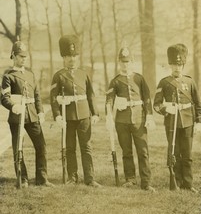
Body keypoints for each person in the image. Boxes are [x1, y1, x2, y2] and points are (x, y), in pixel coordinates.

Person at [1, 40, 53, 188]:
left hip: (32, 115)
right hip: (17, 115)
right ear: (13, 56)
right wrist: (13, 106)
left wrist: (41, 112)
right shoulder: (8, 76)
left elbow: (36, 96)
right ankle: (22, 178)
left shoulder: (30, 74)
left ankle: (42, 179)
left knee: (41, 145)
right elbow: (4, 97)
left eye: (25, 56)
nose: (23, 59)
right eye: (20, 56)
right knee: (18, 148)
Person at [50, 34, 101, 187]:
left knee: (86, 147)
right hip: (68, 116)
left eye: (74, 56)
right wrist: (57, 116)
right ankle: (73, 177)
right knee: (70, 148)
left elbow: (91, 94)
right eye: (68, 56)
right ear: (63, 58)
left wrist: (95, 113)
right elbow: (53, 98)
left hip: (84, 114)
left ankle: (90, 179)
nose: (72, 59)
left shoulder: (83, 73)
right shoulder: (58, 76)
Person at [105, 45, 155, 191]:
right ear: (119, 62)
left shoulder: (139, 78)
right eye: (122, 62)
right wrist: (109, 117)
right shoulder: (115, 81)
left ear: (132, 61)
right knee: (126, 151)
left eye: (127, 62)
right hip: (122, 121)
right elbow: (109, 100)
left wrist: (149, 116)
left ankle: (146, 181)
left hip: (139, 120)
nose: (125, 65)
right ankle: (130, 179)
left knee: (143, 151)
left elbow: (146, 98)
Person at [153, 43, 201, 193]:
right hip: (171, 123)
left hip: (187, 122)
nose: (176, 67)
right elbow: (156, 104)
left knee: (187, 154)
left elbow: (198, 104)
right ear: (169, 64)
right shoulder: (164, 82)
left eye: (179, 64)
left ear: (183, 65)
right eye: (173, 64)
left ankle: (188, 183)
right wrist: (166, 108)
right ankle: (176, 182)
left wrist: (198, 121)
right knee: (175, 152)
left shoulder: (190, 82)